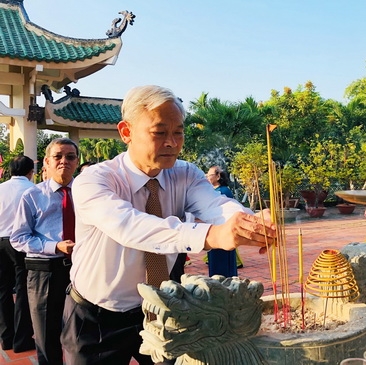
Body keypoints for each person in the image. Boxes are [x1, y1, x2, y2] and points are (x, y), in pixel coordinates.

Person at [61, 85, 276, 365]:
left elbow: (215, 205)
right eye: (159, 132)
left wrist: (249, 221)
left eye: (179, 132)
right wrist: (213, 235)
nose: (172, 142)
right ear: (126, 132)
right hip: (98, 315)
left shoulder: (184, 173)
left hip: (162, 307)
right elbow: (132, 227)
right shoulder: (95, 180)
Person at [11, 138, 78, 365]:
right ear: (46, 162)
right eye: (58, 156)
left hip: (81, 271)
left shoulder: (86, 195)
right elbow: (18, 238)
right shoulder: (33, 195)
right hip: (45, 273)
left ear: (76, 162)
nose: (64, 162)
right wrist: (54, 246)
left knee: (81, 334)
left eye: (70, 157)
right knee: (47, 336)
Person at [0, 156, 35, 353]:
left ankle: (6, 337)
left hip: (0, 241)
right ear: (31, 171)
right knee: (22, 289)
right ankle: (21, 339)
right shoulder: (31, 190)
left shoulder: (0, 188)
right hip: (20, 243)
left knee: (3, 290)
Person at [204, 165, 244, 275]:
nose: (207, 177)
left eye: (210, 175)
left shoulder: (223, 192)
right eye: (206, 175)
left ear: (218, 177)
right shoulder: (215, 191)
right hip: (215, 230)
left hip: (222, 230)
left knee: (222, 264)